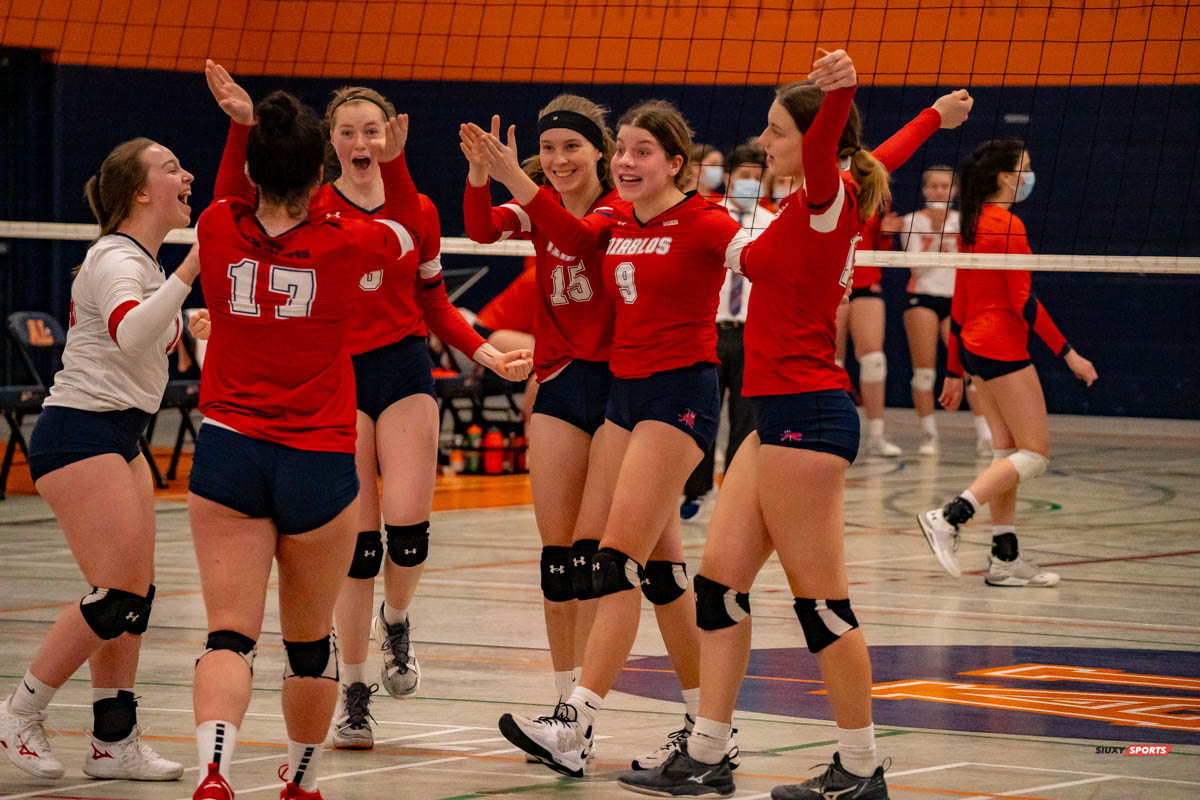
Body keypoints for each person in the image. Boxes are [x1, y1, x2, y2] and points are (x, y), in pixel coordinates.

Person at [187, 71, 497, 800]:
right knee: (306, 641)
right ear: (323, 163)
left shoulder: (217, 228)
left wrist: (239, 125)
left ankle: (213, 772)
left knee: (229, 635)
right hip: (318, 455)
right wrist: (396, 158)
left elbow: (234, 196)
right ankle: (300, 780)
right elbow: (400, 229)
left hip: (231, 446)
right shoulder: (347, 243)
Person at [616, 49, 899, 800]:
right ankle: (708, 753)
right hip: (769, 417)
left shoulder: (824, 195)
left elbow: (827, 146)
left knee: (822, 604)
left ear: (812, 142)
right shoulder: (819, 198)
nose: (764, 143)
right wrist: (934, 117)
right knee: (718, 589)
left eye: (776, 132)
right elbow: (876, 152)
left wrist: (840, 92)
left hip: (809, 414)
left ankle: (861, 770)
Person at [462, 99, 737, 772]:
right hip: (577, 388)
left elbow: (584, 238)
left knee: (622, 563)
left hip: (641, 390)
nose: (558, 160)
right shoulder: (555, 207)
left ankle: (633, 721)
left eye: (573, 149)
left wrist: (516, 177)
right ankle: (593, 719)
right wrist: (481, 176)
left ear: (605, 153)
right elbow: (484, 226)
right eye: (547, 148)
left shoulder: (621, 212)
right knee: (591, 563)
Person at [0, 138, 197, 784]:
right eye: (171, 168)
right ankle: (18, 713)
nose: (186, 174)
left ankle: (113, 740)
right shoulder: (114, 258)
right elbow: (131, 330)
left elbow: (157, 334)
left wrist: (196, 322)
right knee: (114, 594)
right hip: (78, 433)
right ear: (141, 193)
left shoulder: (143, 263)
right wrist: (193, 271)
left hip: (122, 434)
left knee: (133, 597)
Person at [918, 140, 1097, 588]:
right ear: (1004, 177)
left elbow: (959, 299)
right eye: (1025, 168)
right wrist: (1068, 352)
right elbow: (1024, 301)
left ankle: (1004, 559)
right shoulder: (1007, 225)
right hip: (1001, 346)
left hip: (976, 346)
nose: (1029, 175)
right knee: (1034, 454)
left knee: (1005, 452)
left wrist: (955, 367)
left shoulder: (972, 223)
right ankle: (949, 515)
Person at [834, 88, 975, 457]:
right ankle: (833, 427)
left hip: (865, 281)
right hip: (829, 284)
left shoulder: (876, 192)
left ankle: (877, 435)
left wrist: (886, 234)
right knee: (830, 360)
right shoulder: (819, 184)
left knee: (875, 358)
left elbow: (878, 245)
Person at [680, 143, 772, 520]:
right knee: (702, 415)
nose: (750, 182)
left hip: (752, 331)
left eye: (757, 177)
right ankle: (695, 492)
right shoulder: (706, 214)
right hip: (709, 328)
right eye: (744, 175)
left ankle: (735, 494)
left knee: (746, 419)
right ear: (730, 177)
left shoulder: (773, 220)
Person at [895, 165, 992, 456]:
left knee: (969, 369)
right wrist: (937, 236)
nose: (939, 191)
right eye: (933, 186)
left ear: (955, 191)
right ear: (925, 190)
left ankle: (985, 435)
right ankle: (929, 436)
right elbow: (917, 267)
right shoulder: (912, 221)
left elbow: (971, 264)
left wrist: (942, 242)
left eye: (945, 186)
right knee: (924, 373)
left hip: (956, 300)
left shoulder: (965, 221)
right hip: (923, 298)